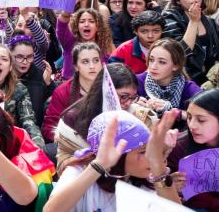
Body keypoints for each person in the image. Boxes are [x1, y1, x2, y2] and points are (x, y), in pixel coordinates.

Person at [45, 110, 182, 212]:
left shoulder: (149, 181)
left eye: (151, 151)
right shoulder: (79, 172)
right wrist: (98, 166)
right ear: (119, 155)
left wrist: (158, 166)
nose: (150, 157)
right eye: (142, 151)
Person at [55, 63, 150, 175]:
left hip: (128, 182)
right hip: (86, 180)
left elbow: (150, 158)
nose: (128, 103)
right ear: (105, 93)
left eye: (133, 98)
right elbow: (62, 164)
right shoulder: (74, 117)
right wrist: (84, 160)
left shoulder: (136, 115)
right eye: (123, 97)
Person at [167, 89, 219, 211]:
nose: (192, 125)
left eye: (201, 120)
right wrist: (169, 184)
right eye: (189, 117)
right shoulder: (178, 146)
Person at [162, 0, 219, 84]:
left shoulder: (210, 21)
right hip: (184, 80)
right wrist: (193, 22)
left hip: (209, 79)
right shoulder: (170, 19)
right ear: (177, 0)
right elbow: (179, 54)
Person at [0, 44, 45, 148]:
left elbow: (29, 121)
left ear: (10, 67)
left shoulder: (19, 89)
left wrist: (38, 148)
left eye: (4, 59)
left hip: (6, 144)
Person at [42, 42, 102, 143]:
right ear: (76, 67)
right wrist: (70, 141)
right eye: (85, 62)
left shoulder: (110, 85)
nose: (92, 66)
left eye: (96, 60)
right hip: (73, 145)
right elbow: (49, 128)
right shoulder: (62, 92)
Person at [137, 38, 202, 114]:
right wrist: (133, 106)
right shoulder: (137, 81)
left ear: (176, 65)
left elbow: (207, 113)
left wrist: (174, 112)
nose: (153, 67)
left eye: (162, 62)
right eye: (151, 60)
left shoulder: (188, 88)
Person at [10, 34, 55, 127]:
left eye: (29, 56)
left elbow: (55, 101)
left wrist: (49, 83)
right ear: (10, 55)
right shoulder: (3, 75)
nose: (25, 61)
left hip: (33, 131)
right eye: (19, 57)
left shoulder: (40, 76)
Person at [56, 9, 114, 80]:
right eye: (82, 21)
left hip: (97, 87)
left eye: (91, 21)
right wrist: (68, 8)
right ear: (77, 26)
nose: (86, 24)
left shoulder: (105, 47)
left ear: (97, 27)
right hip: (70, 86)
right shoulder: (69, 42)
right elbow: (62, 23)